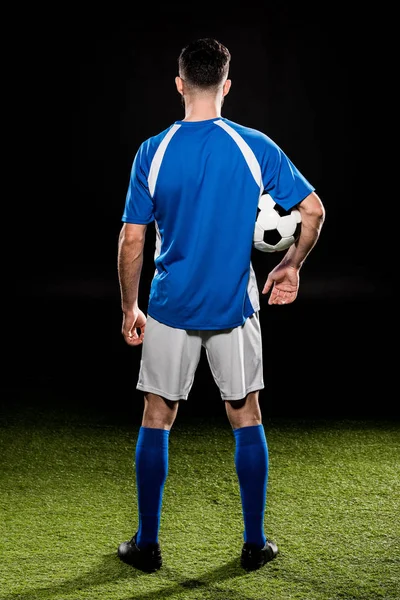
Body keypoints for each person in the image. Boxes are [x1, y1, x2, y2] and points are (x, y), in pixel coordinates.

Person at [116, 37, 325, 573]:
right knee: (246, 414)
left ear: (180, 84)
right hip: (235, 307)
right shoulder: (255, 146)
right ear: (226, 85)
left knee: (157, 416)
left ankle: (147, 545)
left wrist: (128, 308)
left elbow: (132, 240)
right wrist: (289, 267)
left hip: (168, 308)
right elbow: (313, 211)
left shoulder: (153, 151)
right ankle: (254, 544)